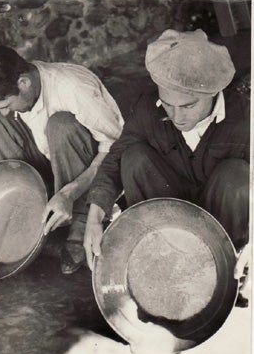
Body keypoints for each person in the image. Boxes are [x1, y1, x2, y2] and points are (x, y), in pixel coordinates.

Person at [84, 29, 250, 301]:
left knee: (239, 177)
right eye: (168, 104)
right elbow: (115, 158)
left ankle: (227, 274)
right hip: (173, 207)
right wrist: (93, 217)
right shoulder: (148, 107)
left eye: (187, 106)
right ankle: (164, 260)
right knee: (134, 157)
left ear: (213, 91)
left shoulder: (244, 117)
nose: (176, 116)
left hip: (225, 219)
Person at [0, 43, 124, 274]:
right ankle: (25, 210)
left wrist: (69, 193)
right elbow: (10, 125)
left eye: (7, 104)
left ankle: (80, 223)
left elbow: (117, 149)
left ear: (24, 83)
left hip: (90, 168)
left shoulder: (74, 89)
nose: (6, 111)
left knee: (61, 125)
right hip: (51, 159)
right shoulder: (21, 91)